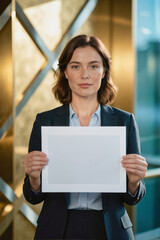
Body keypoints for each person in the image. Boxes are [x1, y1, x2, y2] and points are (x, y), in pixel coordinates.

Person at [22, 34, 148, 240]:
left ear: (104, 71)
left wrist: (134, 182)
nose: (85, 75)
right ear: (64, 72)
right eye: (75, 66)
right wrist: (34, 178)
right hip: (58, 229)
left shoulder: (124, 121)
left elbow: (133, 197)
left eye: (93, 66)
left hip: (110, 230)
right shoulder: (45, 122)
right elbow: (33, 195)